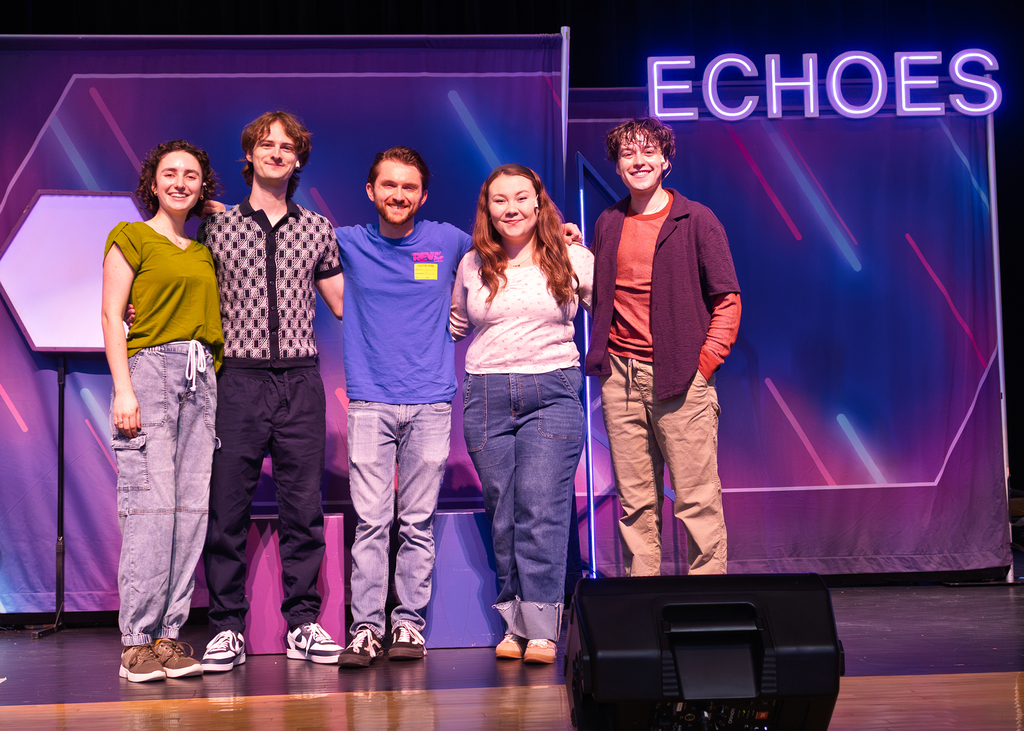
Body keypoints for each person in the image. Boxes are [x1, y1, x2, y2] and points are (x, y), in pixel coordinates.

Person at [198, 111, 346, 671]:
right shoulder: (215, 227)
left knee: (303, 508)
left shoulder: (317, 228)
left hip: (301, 382)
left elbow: (343, 303)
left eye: (287, 146)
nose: (277, 153)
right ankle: (227, 627)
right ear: (250, 155)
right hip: (236, 380)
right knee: (227, 509)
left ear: (298, 159)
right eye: (267, 144)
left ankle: (303, 624)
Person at [585, 117, 741, 577]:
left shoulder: (696, 219)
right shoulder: (609, 222)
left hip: (681, 377)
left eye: (649, 152)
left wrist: (705, 363)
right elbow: (604, 290)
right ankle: (643, 603)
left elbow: (727, 299)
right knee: (635, 502)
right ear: (616, 165)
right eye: (628, 154)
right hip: (620, 377)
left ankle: (709, 603)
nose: (639, 161)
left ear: (665, 161)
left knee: (696, 498)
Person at [334, 147, 472, 668]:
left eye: (408, 187)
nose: (398, 195)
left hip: (432, 403)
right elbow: (281, 238)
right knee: (371, 523)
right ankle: (365, 629)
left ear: (423, 195)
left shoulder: (448, 241)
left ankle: (408, 627)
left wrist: (563, 234)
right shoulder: (346, 242)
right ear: (371, 191)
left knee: (416, 522)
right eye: (388, 185)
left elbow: (511, 242)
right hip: (370, 402)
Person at [451, 164, 592, 664]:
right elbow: (455, 324)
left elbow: (619, 310)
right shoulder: (472, 264)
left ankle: (542, 627)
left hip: (552, 388)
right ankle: (513, 623)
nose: (510, 208)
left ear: (538, 203)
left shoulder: (573, 258)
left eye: (520, 198)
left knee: (540, 504)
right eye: (499, 200)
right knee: (504, 509)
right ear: (487, 208)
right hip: (486, 393)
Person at [101, 140, 224, 682]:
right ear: (152, 182)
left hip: (202, 381)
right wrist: (122, 390)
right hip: (150, 372)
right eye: (170, 173)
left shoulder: (202, 249)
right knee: (150, 511)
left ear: (203, 185)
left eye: (191, 175)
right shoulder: (131, 236)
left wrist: (215, 212)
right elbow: (110, 316)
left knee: (189, 511)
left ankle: (171, 636)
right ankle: (137, 641)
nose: (180, 182)